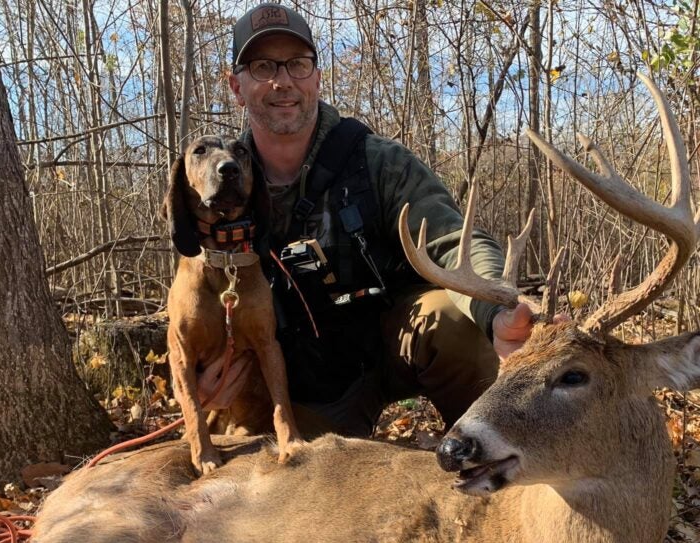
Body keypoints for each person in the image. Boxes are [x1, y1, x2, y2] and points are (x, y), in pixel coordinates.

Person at [200, 2, 534, 437]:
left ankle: (503, 457)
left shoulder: (376, 161)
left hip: (390, 342)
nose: (282, 82)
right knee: (256, 466)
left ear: (317, 77)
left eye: (298, 65)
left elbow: (452, 241)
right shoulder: (217, 186)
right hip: (305, 383)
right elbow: (196, 302)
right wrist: (200, 379)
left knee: (453, 322)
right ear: (236, 86)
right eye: (263, 67)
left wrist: (497, 310)